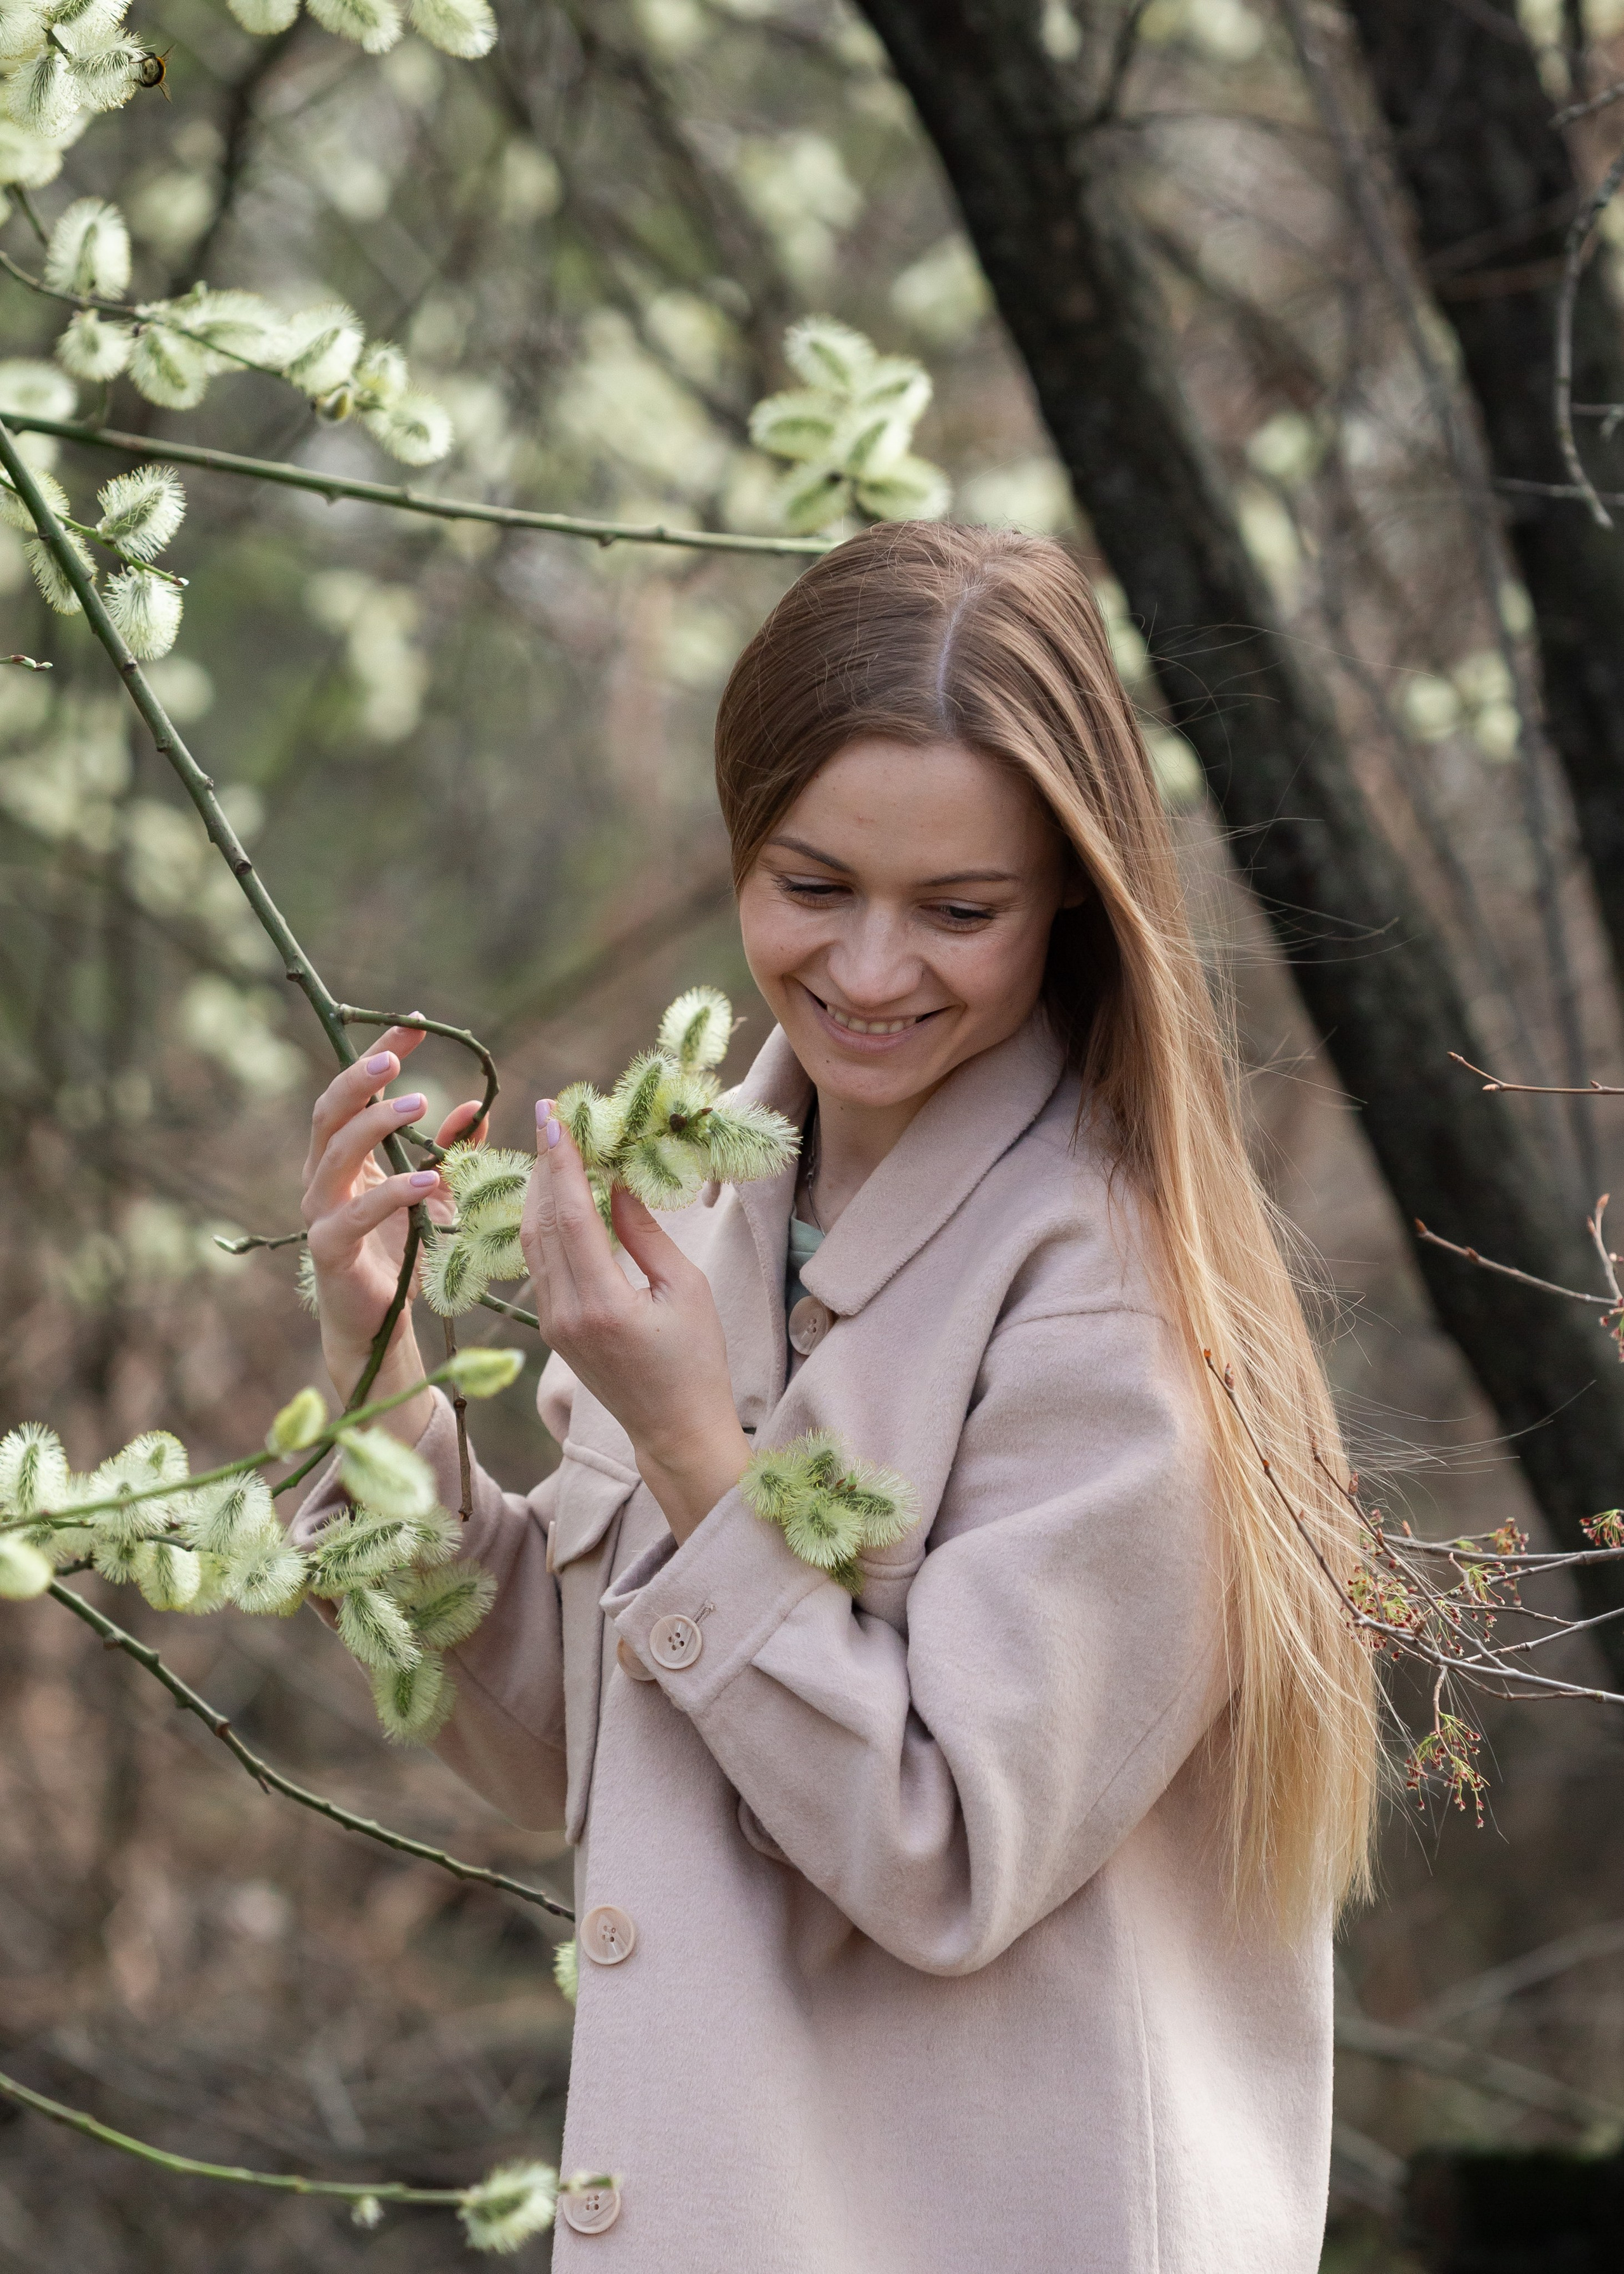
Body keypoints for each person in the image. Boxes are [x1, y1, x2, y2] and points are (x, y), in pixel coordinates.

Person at [296, 520, 1377, 2271]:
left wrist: (690, 1447)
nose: (873, 974)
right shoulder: (721, 1196)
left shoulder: (1115, 1298)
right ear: (741, 848)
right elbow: (559, 1749)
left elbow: (939, 1852)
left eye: (959, 911)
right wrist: (376, 1375)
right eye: (813, 889)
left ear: (1070, 907)